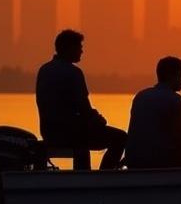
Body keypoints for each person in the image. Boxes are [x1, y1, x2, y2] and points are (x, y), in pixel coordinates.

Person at [35, 29, 126, 170]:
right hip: (71, 133)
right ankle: (104, 178)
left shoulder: (44, 70)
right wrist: (98, 120)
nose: (81, 52)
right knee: (120, 138)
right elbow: (83, 108)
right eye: (79, 47)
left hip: (49, 132)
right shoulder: (73, 73)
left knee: (86, 137)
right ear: (69, 48)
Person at [125, 56, 181, 169]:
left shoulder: (140, 96)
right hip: (158, 162)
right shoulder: (175, 100)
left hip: (133, 161)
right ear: (171, 76)